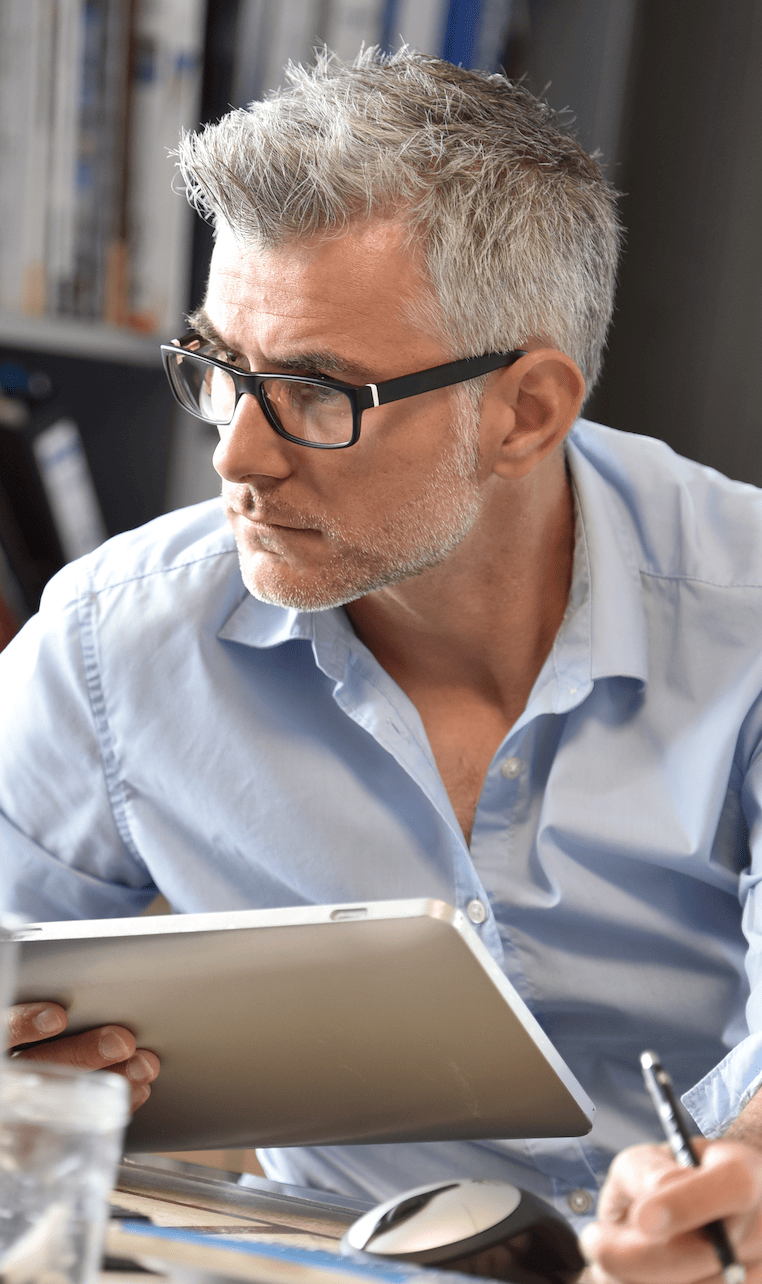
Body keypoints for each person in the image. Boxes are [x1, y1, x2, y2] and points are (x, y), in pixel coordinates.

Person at [3, 45, 762, 1282]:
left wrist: (742, 1176)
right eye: (216, 370)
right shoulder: (114, 639)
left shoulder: (745, 610)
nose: (235, 457)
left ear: (526, 412)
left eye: (313, 390)